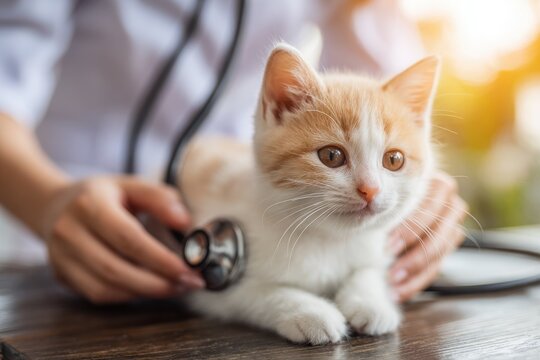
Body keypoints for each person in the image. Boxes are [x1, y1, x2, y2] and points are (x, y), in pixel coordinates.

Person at [0, 0, 467, 304]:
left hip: (248, 213)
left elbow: (384, 102)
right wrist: (47, 201)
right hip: (53, 221)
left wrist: (418, 190)